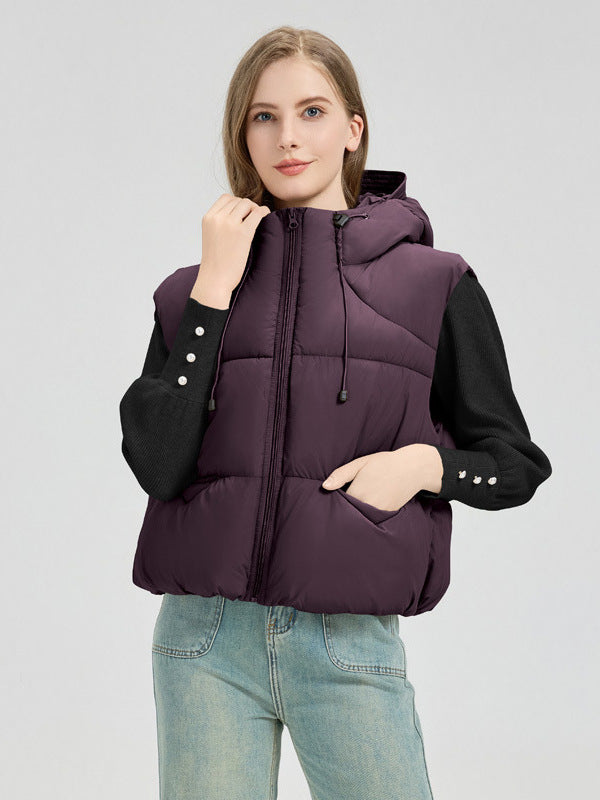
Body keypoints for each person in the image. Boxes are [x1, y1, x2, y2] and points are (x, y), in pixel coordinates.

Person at [119, 26, 552, 800]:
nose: (288, 137)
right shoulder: (189, 291)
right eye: (264, 117)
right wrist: (213, 291)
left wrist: (421, 467)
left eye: (312, 112)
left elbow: (514, 465)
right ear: (242, 135)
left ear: (353, 128)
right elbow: (157, 463)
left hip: (347, 645)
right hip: (203, 643)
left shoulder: (435, 283)